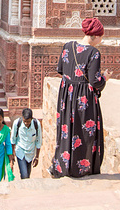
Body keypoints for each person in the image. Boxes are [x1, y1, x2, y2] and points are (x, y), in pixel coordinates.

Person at [48, 17, 111, 179]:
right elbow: (95, 81)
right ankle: (81, 169)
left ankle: (62, 166)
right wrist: (105, 78)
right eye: (100, 37)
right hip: (84, 99)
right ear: (94, 36)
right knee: (84, 134)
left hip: (66, 97)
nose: (101, 40)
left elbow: (60, 69)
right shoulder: (94, 53)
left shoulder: (68, 46)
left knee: (66, 130)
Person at [11, 108, 42, 179]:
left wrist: (37, 157)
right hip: (20, 151)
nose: (26, 123)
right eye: (24, 121)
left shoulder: (36, 124)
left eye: (28, 121)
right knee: (24, 174)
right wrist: (12, 153)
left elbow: (38, 141)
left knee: (27, 174)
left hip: (30, 152)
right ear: (22, 118)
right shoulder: (17, 123)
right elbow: (13, 139)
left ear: (32, 119)